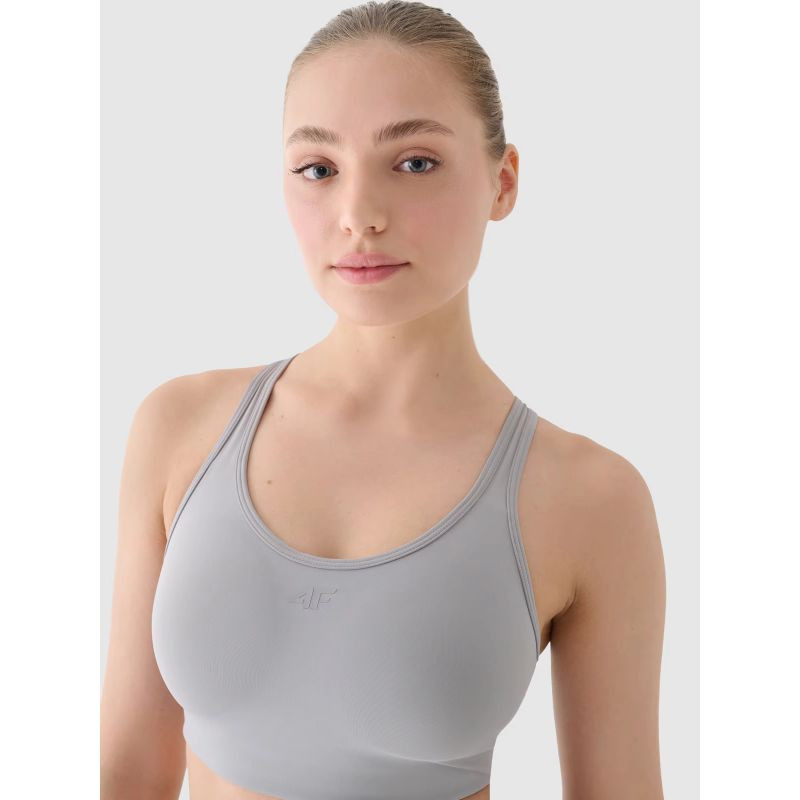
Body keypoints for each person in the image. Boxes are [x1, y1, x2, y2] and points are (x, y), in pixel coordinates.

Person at [100, 2, 666, 798]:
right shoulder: (180, 427)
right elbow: (128, 772)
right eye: (318, 169)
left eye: (415, 162)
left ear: (502, 181)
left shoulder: (589, 498)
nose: (358, 216)